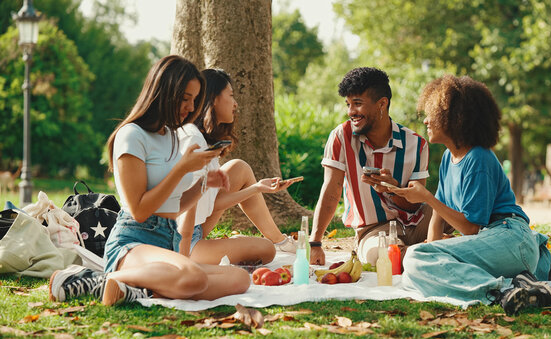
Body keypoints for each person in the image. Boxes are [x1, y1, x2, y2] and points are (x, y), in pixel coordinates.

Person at [48, 55, 250, 306]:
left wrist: (204, 184)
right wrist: (181, 169)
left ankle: (135, 291)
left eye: (195, 100)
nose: (191, 107)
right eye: (185, 98)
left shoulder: (171, 136)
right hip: (135, 240)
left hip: (169, 239)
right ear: (164, 93)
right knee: (193, 277)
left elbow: (173, 207)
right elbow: (140, 210)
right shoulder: (131, 135)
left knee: (240, 279)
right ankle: (100, 279)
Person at [388, 75, 551, 315]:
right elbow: (438, 217)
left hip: (510, 238)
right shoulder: (448, 158)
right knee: (414, 262)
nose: (425, 120)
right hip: (494, 243)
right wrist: (431, 252)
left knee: (415, 259)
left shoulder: (478, 158)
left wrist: (427, 198)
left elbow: (470, 228)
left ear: (453, 117)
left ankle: (503, 291)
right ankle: (520, 286)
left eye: (431, 113)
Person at [309, 67, 433, 266]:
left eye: (357, 104)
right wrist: (315, 242)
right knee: (386, 258)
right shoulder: (342, 137)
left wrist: (392, 190)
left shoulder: (416, 144)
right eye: (348, 104)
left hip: (420, 221)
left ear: (382, 104)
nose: (351, 112)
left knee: (455, 211)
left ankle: (431, 247)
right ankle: (434, 250)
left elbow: (417, 204)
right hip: (373, 230)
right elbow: (331, 191)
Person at [176, 68, 297, 265]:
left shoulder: (203, 139)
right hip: (182, 240)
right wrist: (182, 260)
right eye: (231, 96)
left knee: (239, 167)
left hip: (195, 229)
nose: (235, 103)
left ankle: (280, 241)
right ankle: (221, 249)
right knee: (265, 250)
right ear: (213, 98)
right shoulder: (194, 140)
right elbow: (185, 204)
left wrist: (256, 188)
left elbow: (207, 203)